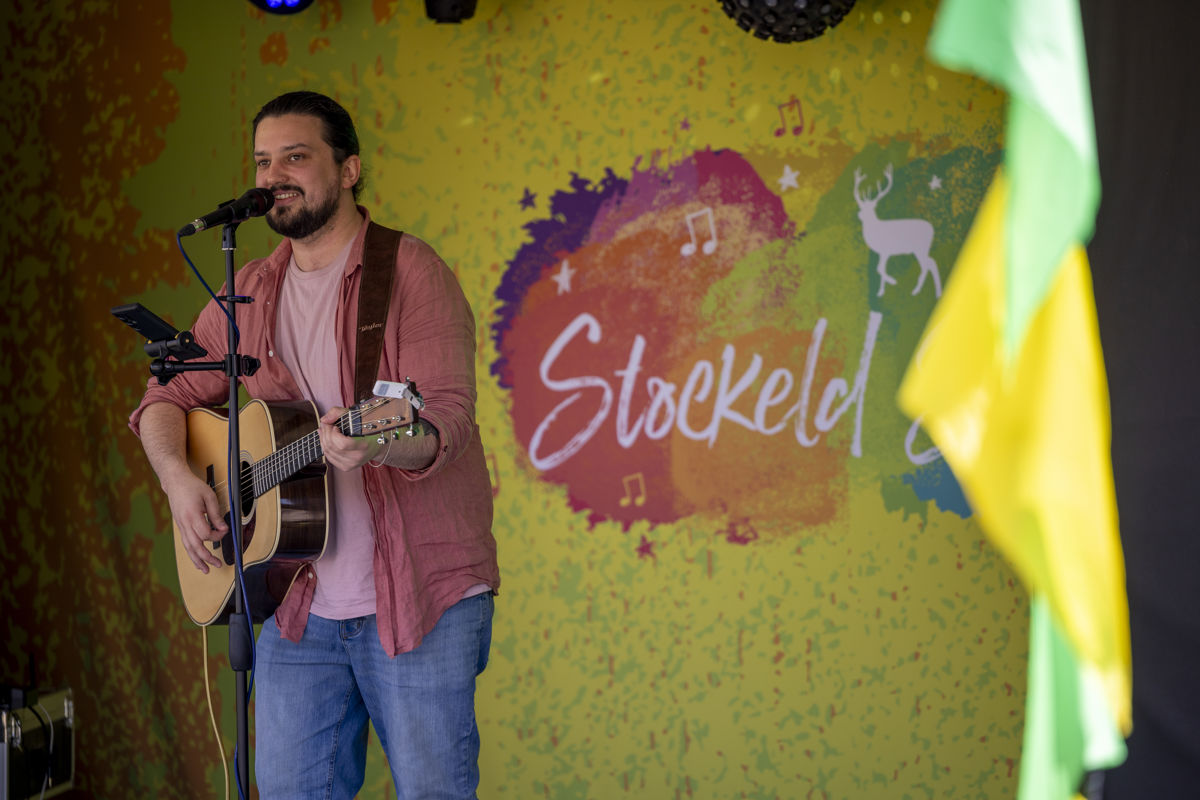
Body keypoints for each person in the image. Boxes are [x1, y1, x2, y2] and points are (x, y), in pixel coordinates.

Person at [129, 91, 500, 799]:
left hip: (420, 599)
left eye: (296, 157)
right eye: (264, 162)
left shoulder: (412, 272)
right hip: (297, 599)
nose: (274, 176)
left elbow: (446, 420)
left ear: (350, 167)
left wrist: (380, 447)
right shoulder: (248, 291)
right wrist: (181, 480)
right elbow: (163, 398)